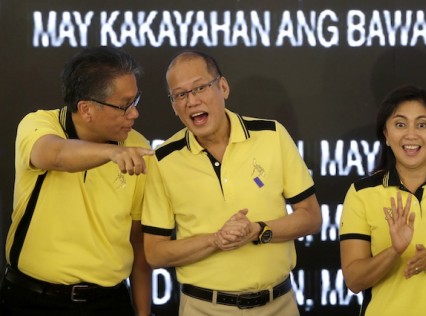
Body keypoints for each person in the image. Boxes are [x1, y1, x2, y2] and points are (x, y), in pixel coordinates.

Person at [141, 50, 322, 316]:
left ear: (223, 87)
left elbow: (311, 217)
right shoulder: (163, 160)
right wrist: (216, 240)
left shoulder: (272, 136)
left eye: (200, 88)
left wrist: (258, 231)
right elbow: (155, 253)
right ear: (173, 105)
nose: (191, 101)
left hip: (278, 304)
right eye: (180, 94)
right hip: (204, 308)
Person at [0, 46, 154, 316]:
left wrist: (142, 312)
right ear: (86, 109)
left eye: (136, 101)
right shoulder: (39, 124)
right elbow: (55, 154)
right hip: (32, 299)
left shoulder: (137, 146)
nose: (134, 114)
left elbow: (138, 242)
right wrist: (113, 153)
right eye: (124, 105)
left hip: (109, 302)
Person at [339, 85, 426, 316]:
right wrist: (394, 251)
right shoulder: (361, 193)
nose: (411, 135)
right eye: (400, 124)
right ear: (386, 134)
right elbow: (354, 281)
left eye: (422, 124)